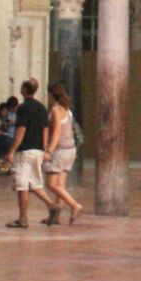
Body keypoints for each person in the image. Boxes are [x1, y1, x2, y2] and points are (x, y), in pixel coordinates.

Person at [4, 80, 55, 229]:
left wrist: (11, 150)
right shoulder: (42, 108)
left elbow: (21, 130)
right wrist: (45, 148)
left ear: (25, 90)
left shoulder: (23, 108)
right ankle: (51, 205)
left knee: (22, 186)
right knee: (34, 183)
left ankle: (23, 218)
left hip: (25, 150)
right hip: (38, 150)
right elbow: (46, 130)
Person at [40, 84, 85, 225]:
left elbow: (57, 131)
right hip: (70, 149)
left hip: (60, 150)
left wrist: (49, 151)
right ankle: (55, 217)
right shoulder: (67, 110)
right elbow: (70, 131)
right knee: (60, 184)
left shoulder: (55, 110)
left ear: (51, 95)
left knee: (51, 184)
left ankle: (74, 205)